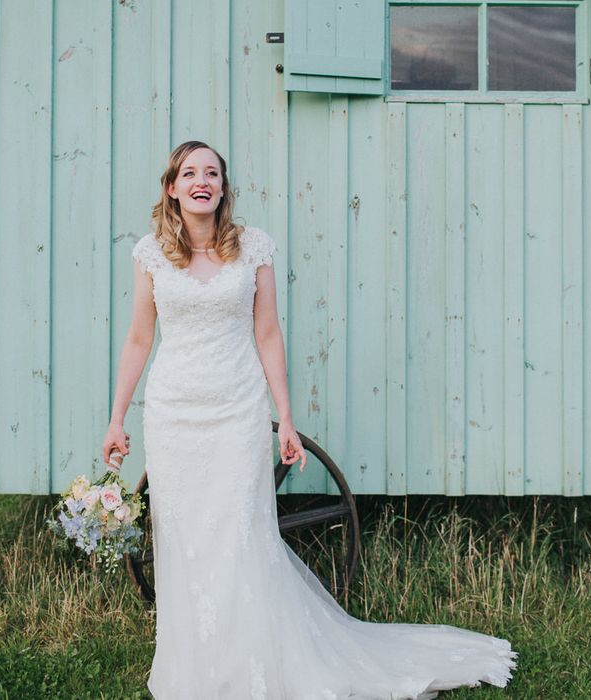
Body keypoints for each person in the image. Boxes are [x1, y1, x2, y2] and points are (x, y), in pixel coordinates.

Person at [102, 140, 518, 699]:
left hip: (237, 411)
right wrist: (117, 417)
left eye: (213, 173)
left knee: (242, 537)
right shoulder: (151, 254)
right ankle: (195, 669)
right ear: (172, 188)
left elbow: (268, 333)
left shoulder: (252, 249)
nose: (202, 180)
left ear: (223, 189)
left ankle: (254, 666)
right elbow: (138, 338)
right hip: (174, 415)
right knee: (184, 540)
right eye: (190, 172)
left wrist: (286, 417)